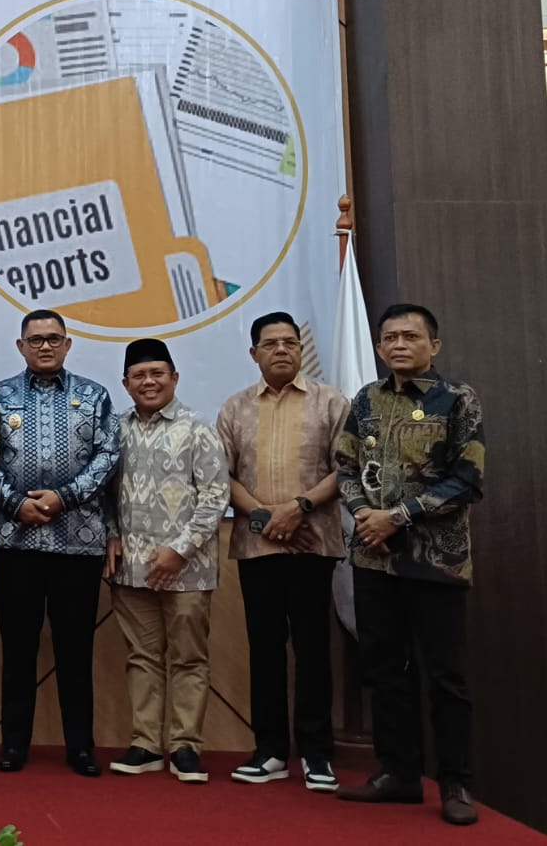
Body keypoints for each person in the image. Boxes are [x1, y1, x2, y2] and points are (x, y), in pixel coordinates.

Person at [334, 303, 484, 826]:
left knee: (446, 676)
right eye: (390, 337)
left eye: (411, 336)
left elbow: (467, 480)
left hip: (436, 561)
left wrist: (395, 517)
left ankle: (456, 783)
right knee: (383, 670)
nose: (399, 344)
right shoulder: (366, 399)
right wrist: (363, 515)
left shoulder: (457, 398)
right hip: (373, 558)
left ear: (433, 346)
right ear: (379, 347)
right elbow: (345, 466)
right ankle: (397, 774)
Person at [217, 310, 347, 793]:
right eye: (271, 344)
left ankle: (317, 754)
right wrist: (267, 519)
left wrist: (298, 508)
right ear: (254, 353)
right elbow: (222, 476)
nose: (282, 351)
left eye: (290, 342)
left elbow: (346, 468)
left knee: (313, 650)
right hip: (258, 548)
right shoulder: (234, 408)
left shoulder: (331, 402)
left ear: (300, 348)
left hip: (314, 544)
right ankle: (269, 750)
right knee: (265, 650)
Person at [0, 308, 119, 778]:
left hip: (77, 543)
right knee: (17, 649)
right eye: (36, 339)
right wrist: (13, 503)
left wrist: (65, 497)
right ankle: (13, 746)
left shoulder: (95, 396)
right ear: (20, 346)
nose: (45, 346)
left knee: (75, 650)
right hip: (14, 541)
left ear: (67, 344)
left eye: (53, 339)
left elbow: (108, 456)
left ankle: (80, 747)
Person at [105, 338, 229, 784]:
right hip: (131, 569)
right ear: (126, 383)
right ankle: (145, 744)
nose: (149, 382)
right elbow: (104, 494)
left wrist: (180, 549)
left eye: (157, 373)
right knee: (142, 657)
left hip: (188, 570)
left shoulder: (198, 429)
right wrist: (111, 534)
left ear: (174, 378)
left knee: (189, 658)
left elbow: (216, 496)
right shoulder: (115, 431)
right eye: (139, 375)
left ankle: (184, 746)